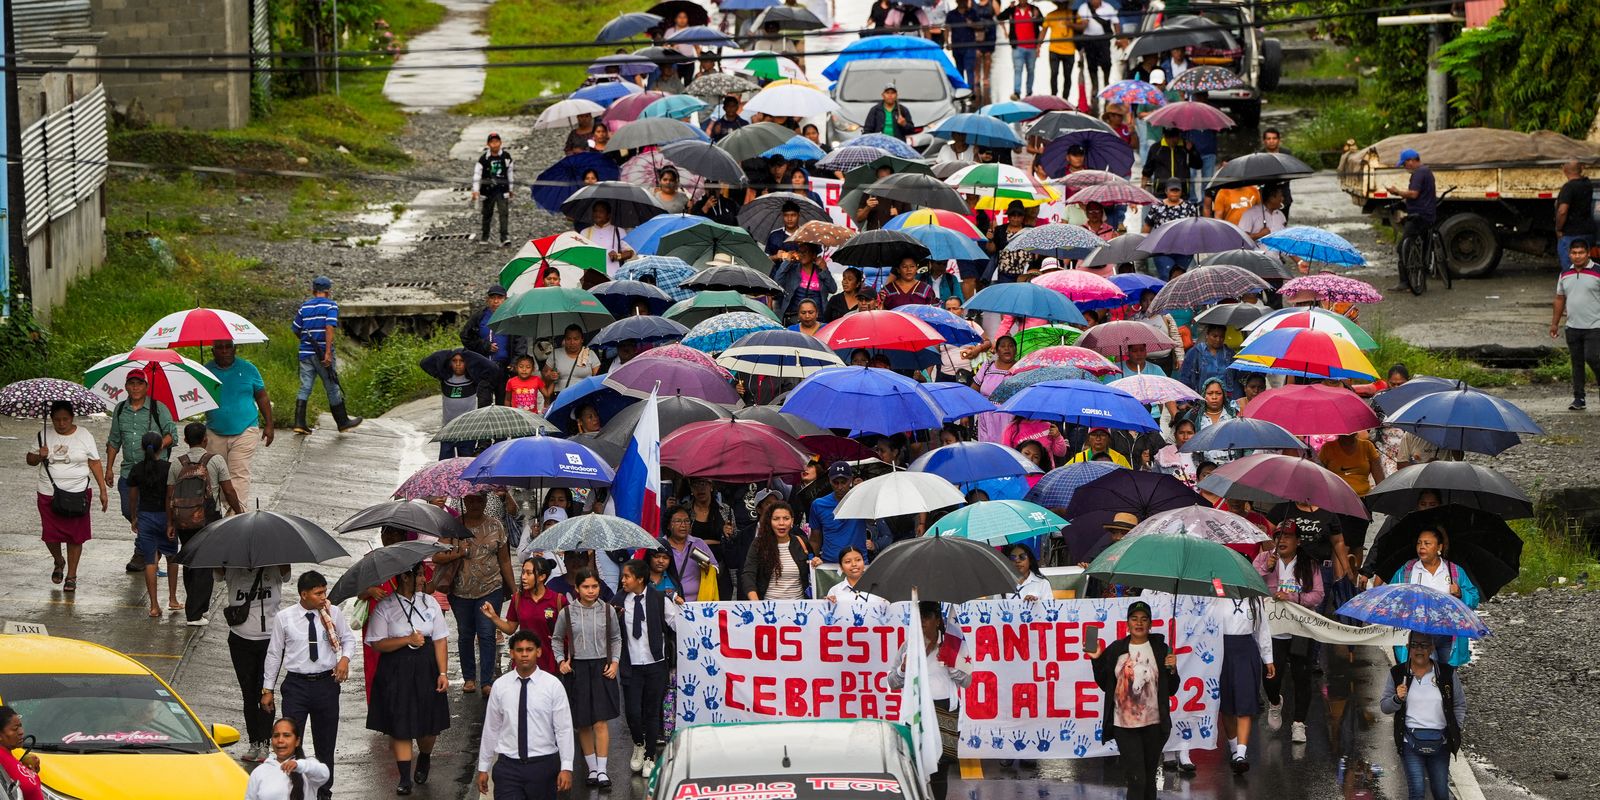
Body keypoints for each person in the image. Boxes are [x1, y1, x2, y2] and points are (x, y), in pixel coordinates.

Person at [261, 571, 361, 800]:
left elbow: (348, 639)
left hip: (326, 684)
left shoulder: (332, 613)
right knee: (290, 742)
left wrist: (345, 659)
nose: (323, 597)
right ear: (303, 594)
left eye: (324, 591)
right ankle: (294, 789)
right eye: (318, 593)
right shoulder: (284, 618)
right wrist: (267, 689)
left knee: (325, 744)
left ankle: (324, 792)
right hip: (296, 686)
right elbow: (274, 654)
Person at [365, 562, 451, 795]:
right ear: (405, 577)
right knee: (400, 726)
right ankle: (404, 778)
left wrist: (443, 673)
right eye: (420, 575)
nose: (424, 579)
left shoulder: (430, 602)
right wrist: (406, 641)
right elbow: (377, 643)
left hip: (427, 666)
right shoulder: (386, 606)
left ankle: (424, 756)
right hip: (396, 668)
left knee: (429, 728)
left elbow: (441, 639)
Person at [1088, 600, 1179, 800]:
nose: (1139, 623)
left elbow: (1171, 689)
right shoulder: (1116, 650)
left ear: (1150, 624)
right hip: (1124, 726)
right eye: (1134, 619)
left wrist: (1172, 669)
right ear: (1127, 623)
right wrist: (1096, 660)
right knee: (1137, 779)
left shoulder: (1161, 649)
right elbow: (1105, 684)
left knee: (1149, 779)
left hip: (1154, 725)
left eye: (1144, 619)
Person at [477, 630, 576, 800]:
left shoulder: (553, 686)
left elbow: (563, 729)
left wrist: (566, 767)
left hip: (543, 766)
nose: (524, 654)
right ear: (512, 653)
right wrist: (483, 767)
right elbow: (491, 728)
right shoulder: (500, 686)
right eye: (519, 650)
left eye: (529, 650)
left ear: (538, 652)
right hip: (508, 767)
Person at [888, 603, 972, 800]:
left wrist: (951, 664)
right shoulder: (909, 646)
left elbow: (967, 681)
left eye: (927, 616)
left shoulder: (952, 644)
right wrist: (903, 667)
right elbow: (892, 682)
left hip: (944, 711)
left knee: (940, 769)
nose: (922, 621)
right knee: (914, 764)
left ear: (938, 619)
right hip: (915, 712)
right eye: (919, 616)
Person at [435, 491, 514, 697]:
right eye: (470, 499)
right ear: (463, 501)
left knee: (487, 634)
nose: (475, 503)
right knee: (466, 634)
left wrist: (515, 590)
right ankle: (469, 677)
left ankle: (486, 680)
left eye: (480, 499)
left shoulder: (496, 525)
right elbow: (436, 556)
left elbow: (504, 560)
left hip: (491, 589)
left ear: (486, 501)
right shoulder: (452, 526)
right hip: (460, 592)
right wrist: (459, 551)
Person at [1253, 522, 1325, 744]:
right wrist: (1267, 569)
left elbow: (1318, 595)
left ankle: (1299, 723)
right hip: (1272, 630)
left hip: (1300, 629)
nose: (1281, 541)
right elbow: (1250, 583)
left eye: (1288, 536)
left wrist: (1293, 598)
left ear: (1298, 541)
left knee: (1302, 677)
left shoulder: (1308, 564)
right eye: (1278, 536)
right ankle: (1275, 703)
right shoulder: (1264, 559)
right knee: (1272, 677)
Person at [551, 570, 623, 790]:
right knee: (583, 721)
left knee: (600, 721)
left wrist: (614, 663)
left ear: (599, 587)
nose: (590, 591)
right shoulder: (567, 613)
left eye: (594, 586)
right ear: (577, 589)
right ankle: (591, 768)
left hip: (601, 667)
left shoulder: (608, 610)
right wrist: (561, 661)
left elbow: (616, 638)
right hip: (578, 668)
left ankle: (602, 770)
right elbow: (556, 639)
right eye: (586, 587)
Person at [167, 421, 244, 625]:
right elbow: (228, 490)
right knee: (205, 564)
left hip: (183, 519)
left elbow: (170, 496)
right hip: (208, 520)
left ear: (185, 440)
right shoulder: (216, 460)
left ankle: (198, 606)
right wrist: (239, 510)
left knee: (190, 560)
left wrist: (170, 522)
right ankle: (195, 613)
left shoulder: (177, 462)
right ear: (205, 439)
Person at [27, 400, 108, 593]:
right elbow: (29, 459)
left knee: (75, 536)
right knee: (50, 535)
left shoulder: (84, 435)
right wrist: (40, 455)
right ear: (51, 419)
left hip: (79, 492)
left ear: (72, 418)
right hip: (49, 493)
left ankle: (71, 576)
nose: (61, 424)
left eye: (65, 419)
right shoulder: (43, 435)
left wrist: (103, 490)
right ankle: (58, 560)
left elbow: (94, 463)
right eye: (56, 420)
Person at [1380, 630, 1467, 800]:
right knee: (1417, 790)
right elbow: (1385, 707)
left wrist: (1455, 728)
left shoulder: (1447, 673)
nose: (1419, 650)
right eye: (1414, 645)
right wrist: (1397, 698)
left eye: (1424, 645)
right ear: (1407, 647)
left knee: (1441, 791)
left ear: (1432, 648)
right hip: (1409, 743)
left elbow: (1459, 704)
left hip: (1440, 743)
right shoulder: (1398, 674)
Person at [104, 370, 176, 573]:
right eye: (131, 383)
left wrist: (157, 445)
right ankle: (147, 546)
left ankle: (144, 552)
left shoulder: (158, 408)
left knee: (156, 511)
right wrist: (108, 468)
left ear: (146, 386)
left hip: (154, 471)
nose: (135, 387)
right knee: (130, 510)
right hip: (129, 471)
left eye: (139, 383)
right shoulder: (120, 410)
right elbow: (114, 440)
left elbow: (173, 434)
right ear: (126, 386)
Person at [1381, 527, 1480, 669]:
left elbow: (1474, 598)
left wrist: (1461, 593)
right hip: (1418, 635)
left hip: (1448, 634)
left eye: (1427, 543)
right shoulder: (1408, 570)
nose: (1422, 547)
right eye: (1419, 543)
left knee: (1446, 675)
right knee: (1427, 673)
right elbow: (1391, 596)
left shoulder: (1454, 571)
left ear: (1439, 547)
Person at [617, 559, 679, 776]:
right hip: (631, 665)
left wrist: (684, 606)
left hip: (655, 664)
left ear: (639, 579)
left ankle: (650, 755)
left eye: (627, 576)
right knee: (633, 712)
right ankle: (638, 744)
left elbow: (678, 623)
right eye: (622, 576)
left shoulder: (660, 599)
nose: (623, 580)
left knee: (652, 712)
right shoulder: (618, 602)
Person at [223, 564, 291, 763]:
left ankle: (265, 742)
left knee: (266, 691)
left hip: (272, 641)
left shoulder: (276, 563)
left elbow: (286, 575)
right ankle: (254, 742)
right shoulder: (231, 565)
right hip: (240, 640)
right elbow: (218, 575)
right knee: (248, 693)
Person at [203, 340, 274, 508]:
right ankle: (222, 513)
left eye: (229, 347)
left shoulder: (248, 369)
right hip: (214, 432)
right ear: (213, 351)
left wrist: (269, 425)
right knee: (216, 475)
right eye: (220, 347)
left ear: (235, 349)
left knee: (238, 474)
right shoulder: (206, 371)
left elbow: (262, 396)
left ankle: (237, 514)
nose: (225, 351)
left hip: (245, 430)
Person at [292, 276, 362, 435]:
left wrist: (306, 343)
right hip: (323, 354)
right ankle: (343, 422)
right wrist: (328, 352)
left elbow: (296, 329)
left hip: (305, 353)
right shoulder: (331, 305)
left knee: (305, 387)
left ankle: (299, 423)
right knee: (331, 387)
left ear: (313, 291)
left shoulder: (304, 307)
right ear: (328, 291)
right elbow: (329, 327)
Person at [484, 557, 568, 674]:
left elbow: (568, 634)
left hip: (551, 664)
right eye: (523, 572)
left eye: (529, 573)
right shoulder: (517, 599)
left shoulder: (558, 600)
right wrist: (493, 617)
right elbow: (510, 628)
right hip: (525, 664)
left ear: (541, 577)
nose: (523, 577)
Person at [126, 432, 178, 617]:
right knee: (172, 557)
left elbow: (133, 496)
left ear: (141, 447)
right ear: (161, 447)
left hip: (145, 516)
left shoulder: (137, 469)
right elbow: (171, 495)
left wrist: (134, 516)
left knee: (150, 560)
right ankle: (173, 599)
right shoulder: (169, 468)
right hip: (166, 517)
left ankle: (154, 606)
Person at [1551, 239, 1600, 410]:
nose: (1577, 256)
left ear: (1588, 253)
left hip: (1595, 326)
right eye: (1574, 253)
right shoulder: (1565, 273)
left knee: (1593, 358)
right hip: (1573, 326)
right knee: (1576, 363)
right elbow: (1559, 299)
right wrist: (1554, 324)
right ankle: (1579, 398)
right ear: (1569, 254)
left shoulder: (1598, 272)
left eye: (1581, 253)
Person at [1318, 433, 1384, 560]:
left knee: (1357, 544)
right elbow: (1321, 475)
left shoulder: (1367, 446)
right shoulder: (1328, 448)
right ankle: (1341, 576)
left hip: (1361, 501)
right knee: (1342, 543)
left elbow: (1379, 476)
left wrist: (1381, 498)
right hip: (1336, 503)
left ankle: (1354, 577)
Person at [742, 501, 821, 600]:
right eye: (776, 519)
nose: (781, 523)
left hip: (799, 608)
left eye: (786, 518)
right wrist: (756, 603)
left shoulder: (802, 542)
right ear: (769, 521)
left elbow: (812, 570)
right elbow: (748, 574)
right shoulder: (759, 544)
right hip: (768, 609)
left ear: (792, 521)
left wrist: (817, 564)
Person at [1386, 148, 1438, 293]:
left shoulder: (1419, 173)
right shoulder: (1426, 171)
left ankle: (1405, 282)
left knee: (1402, 247)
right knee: (1419, 248)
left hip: (1418, 217)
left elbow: (1414, 194)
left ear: (1411, 161)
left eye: (1405, 164)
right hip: (1427, 215)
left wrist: (1397, 192)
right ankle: (1420, 280)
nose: (1404, 167)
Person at [245, 718, 330, 800]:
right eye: (276, 736)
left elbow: (324, 774)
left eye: (286, 735)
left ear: (297, 741)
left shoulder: (307, 767)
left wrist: (298, 765)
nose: (280, 740)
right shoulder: (259, 772)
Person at [461, 284, 514, 404]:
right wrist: (484, 346)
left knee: (503, 404)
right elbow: (465, 337)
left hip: (504, 368)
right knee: (484, 402)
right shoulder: (480, 317)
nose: (496, 301)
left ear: (505, 299)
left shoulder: (511, 318)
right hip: (483, 367)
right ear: (487, 300)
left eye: (499, 298)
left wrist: (515, 362)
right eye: (493, 298)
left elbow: (519, 342)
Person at [809, 461, 871, 562]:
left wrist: (864, 491)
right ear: (829, 481)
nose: (840, 487)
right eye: (836, 482)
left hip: (858, 564)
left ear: (851, 479)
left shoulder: (862, 499)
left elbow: (873, 520)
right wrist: (811, 561)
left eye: (843, 482)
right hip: (829, 566)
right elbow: (815, 539)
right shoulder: (818, 505)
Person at [1143, 178, 1200, 278]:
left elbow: (1196, 227)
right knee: (1166, 276)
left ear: (1181, 192)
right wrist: (1144, 245)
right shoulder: (1157, 206)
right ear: (1166, 191)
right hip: (1161, 249)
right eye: (1172, 190)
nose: (1174, 193)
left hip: (1184, 250)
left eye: (1177, 190)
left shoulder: (1189, 207)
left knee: (1182, 278)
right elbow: (1148, 226)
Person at [660, 505, 719, 601]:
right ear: (668, 525)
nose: (683, 525)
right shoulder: (661, 546)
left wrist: (708, 568)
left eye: (687, 521)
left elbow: (716, 568)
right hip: (668, 601)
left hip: (697, 604)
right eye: (678, 521)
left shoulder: (698, 543)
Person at [774, 242, 836, 321]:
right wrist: (787, 262)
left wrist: (824, 269)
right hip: (795, 318)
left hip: (818, 319)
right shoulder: (792, 270)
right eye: (800, 251)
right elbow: (777, 282)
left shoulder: (821, 271)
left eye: (805, 251)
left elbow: (833, 289)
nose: (802, 254)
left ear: (814, 255)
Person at [473, 132, 515, 246]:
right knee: (487, 214)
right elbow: (477, 174)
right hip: (487, 190)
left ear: (500, 143)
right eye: (492, 142)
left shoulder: (506, 157)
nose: (495, 144)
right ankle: (485, 236)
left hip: (502, 190)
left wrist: (510, 188)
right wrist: (476, 190)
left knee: (504, 213)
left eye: (497, 142)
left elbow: (510, 173)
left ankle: (504, 236)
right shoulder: (483, 159)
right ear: (488, 144)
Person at [998, 0, 1044, 99]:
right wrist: (1009, 8)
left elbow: (1043, 24)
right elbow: (1000, 17)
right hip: (1018, 47)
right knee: (1018, 70)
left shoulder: (1034, 9)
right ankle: (1017, 92)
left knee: (1031, 70)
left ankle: (1029, 93)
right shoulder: (1013, 10)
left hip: (1032, 47)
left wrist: (1037, 17)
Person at [1075, 0, 1118, 105]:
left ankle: (1107, 84)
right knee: (1091, 65)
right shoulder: (1083, 8)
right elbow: (1079, 25)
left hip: (1103, 40)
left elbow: (1116, 23)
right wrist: (1082, 24)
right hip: (1089, 40)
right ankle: (1095, 87)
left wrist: (1119, 38)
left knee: (1106, 63)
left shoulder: (1108, 7)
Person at [1555, 161, 1594, 269]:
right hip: (1587, 231)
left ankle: (1574, 285)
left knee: (1571, 269)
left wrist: (1558, 228)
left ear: (1564, 169)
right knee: (1585, 267)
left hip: (1571, 234)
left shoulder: (1568, 187)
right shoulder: (1587, 184)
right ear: (1581, 169)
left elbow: (1562, 211)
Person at [1179, 326, 1238, 397]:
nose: (1218, 339)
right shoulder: (1196, 352)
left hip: (1226, 398)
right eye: (1215, 336)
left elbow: (1236, 378)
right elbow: (1184, 377)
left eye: (1221, 337)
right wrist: (1183, 400)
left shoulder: (1229, 354)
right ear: (1207, 335)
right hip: (1201, 398)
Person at [0, 705, 44, 800]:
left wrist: (29, 770)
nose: (21, 732)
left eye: (20, 726)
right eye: (15, 729)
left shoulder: (10, 756)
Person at [580, 201, 634, 276]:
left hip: (614, 275)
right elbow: (581, 254)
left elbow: (630, 252)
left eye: (601, 211)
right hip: (591, 276)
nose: (597, 214)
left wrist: (618, 256)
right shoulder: (585, 232)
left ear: (608, 215)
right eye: (595, 211)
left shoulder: (619, 231)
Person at [1042, 1, 1083, 96]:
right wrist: (1038, 46)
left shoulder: (1073, 14)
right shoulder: (1050, 15)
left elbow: (1081, 27)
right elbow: (1044, 31)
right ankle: (1054, 95)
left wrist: (1071, 25)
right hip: (1054, 50)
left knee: (1067, 76)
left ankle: (1065, 97)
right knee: (1054, 73)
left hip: (1069, 50)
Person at [546, 324, 601, 393]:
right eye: (568, 339)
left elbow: (598, 378)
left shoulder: (590, 354)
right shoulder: (555, 354)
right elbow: (545, 375)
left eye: (576, 339)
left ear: (582, 340)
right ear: (564, 340)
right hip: (560, 395)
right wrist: (549, 376)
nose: (572, 342)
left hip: (584, 395)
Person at [1261, 128, 1294, 217]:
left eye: (1274, 138)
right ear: (1264, 141)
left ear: (1279, 140)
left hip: (1284, 196)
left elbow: (1291, 171)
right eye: (1268, 139)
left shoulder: (1286, 153)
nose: (1271, 141)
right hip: (1265, 195)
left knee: (1282, 223)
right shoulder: (1259, 155)